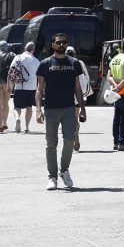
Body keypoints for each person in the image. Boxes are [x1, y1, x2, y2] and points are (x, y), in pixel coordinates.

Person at [35, 34, 89, 189]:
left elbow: (77, 88)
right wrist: (38, 109)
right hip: (51, 109)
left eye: (64, 42)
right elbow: (39, 90)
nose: (61, 45)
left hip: (69, 108)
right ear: (52, 45)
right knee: (51, 144)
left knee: (69, 140)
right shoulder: (45, 64)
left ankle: (64, 171)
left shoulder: (74, 63)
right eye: (58, 42)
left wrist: (83, 108)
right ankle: (52, 177)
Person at [9, 41, 40, 133]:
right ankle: (27, 127)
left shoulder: (18, 57)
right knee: (29, 107)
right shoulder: (35, 60)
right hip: (32, 87)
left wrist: (9, 85)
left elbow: (11, 71)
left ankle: (18, 118)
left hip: (19, 86)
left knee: (16, 107)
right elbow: (40, 75)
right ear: (33, 50)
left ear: (25, 48)